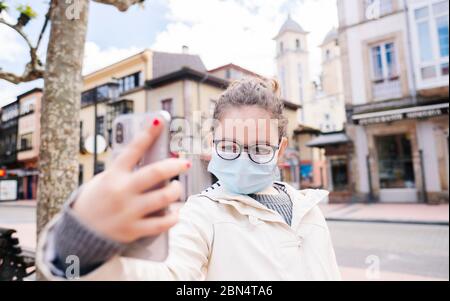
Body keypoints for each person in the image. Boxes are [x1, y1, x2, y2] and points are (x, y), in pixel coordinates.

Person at [37, 77, 341, 280]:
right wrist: (80, 244)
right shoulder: (202, 213)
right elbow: (170, 275)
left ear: (281, 148)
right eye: (230, 147)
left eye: (260, 149)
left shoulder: (308, 207)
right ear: (213, 143)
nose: (244, 159)